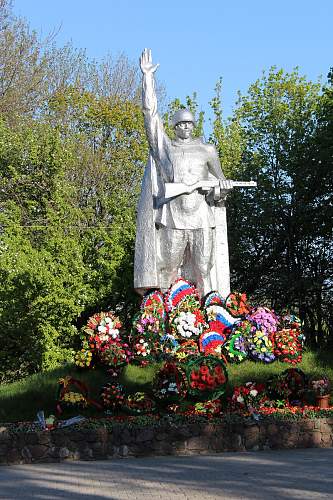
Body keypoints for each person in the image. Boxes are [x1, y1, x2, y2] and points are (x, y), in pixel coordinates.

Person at [134, 48, 232, 297]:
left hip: (201, 217)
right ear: (175, 127)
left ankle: (210, 319)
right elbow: (151, 118)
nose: (186, 127)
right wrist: (147, 79)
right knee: (168, 269)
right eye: (181, 124)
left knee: (205, 269)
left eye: (189, 123)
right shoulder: (166, 149)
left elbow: (219, 186)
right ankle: (163, 316)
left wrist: (223, 189)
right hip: (174, 219)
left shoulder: (207, 150)